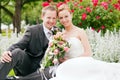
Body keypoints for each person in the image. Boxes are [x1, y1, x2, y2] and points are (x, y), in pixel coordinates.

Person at [0, 5, 59, 80]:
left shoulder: (58, 32)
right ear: (42, 17)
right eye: (48, 18)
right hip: (29, 66)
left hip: (45, 70)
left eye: (54, 18)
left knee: (53, 70)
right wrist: (7, 52)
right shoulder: (32, 30)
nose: (51, 21)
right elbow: (19, 45)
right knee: (16, 52)